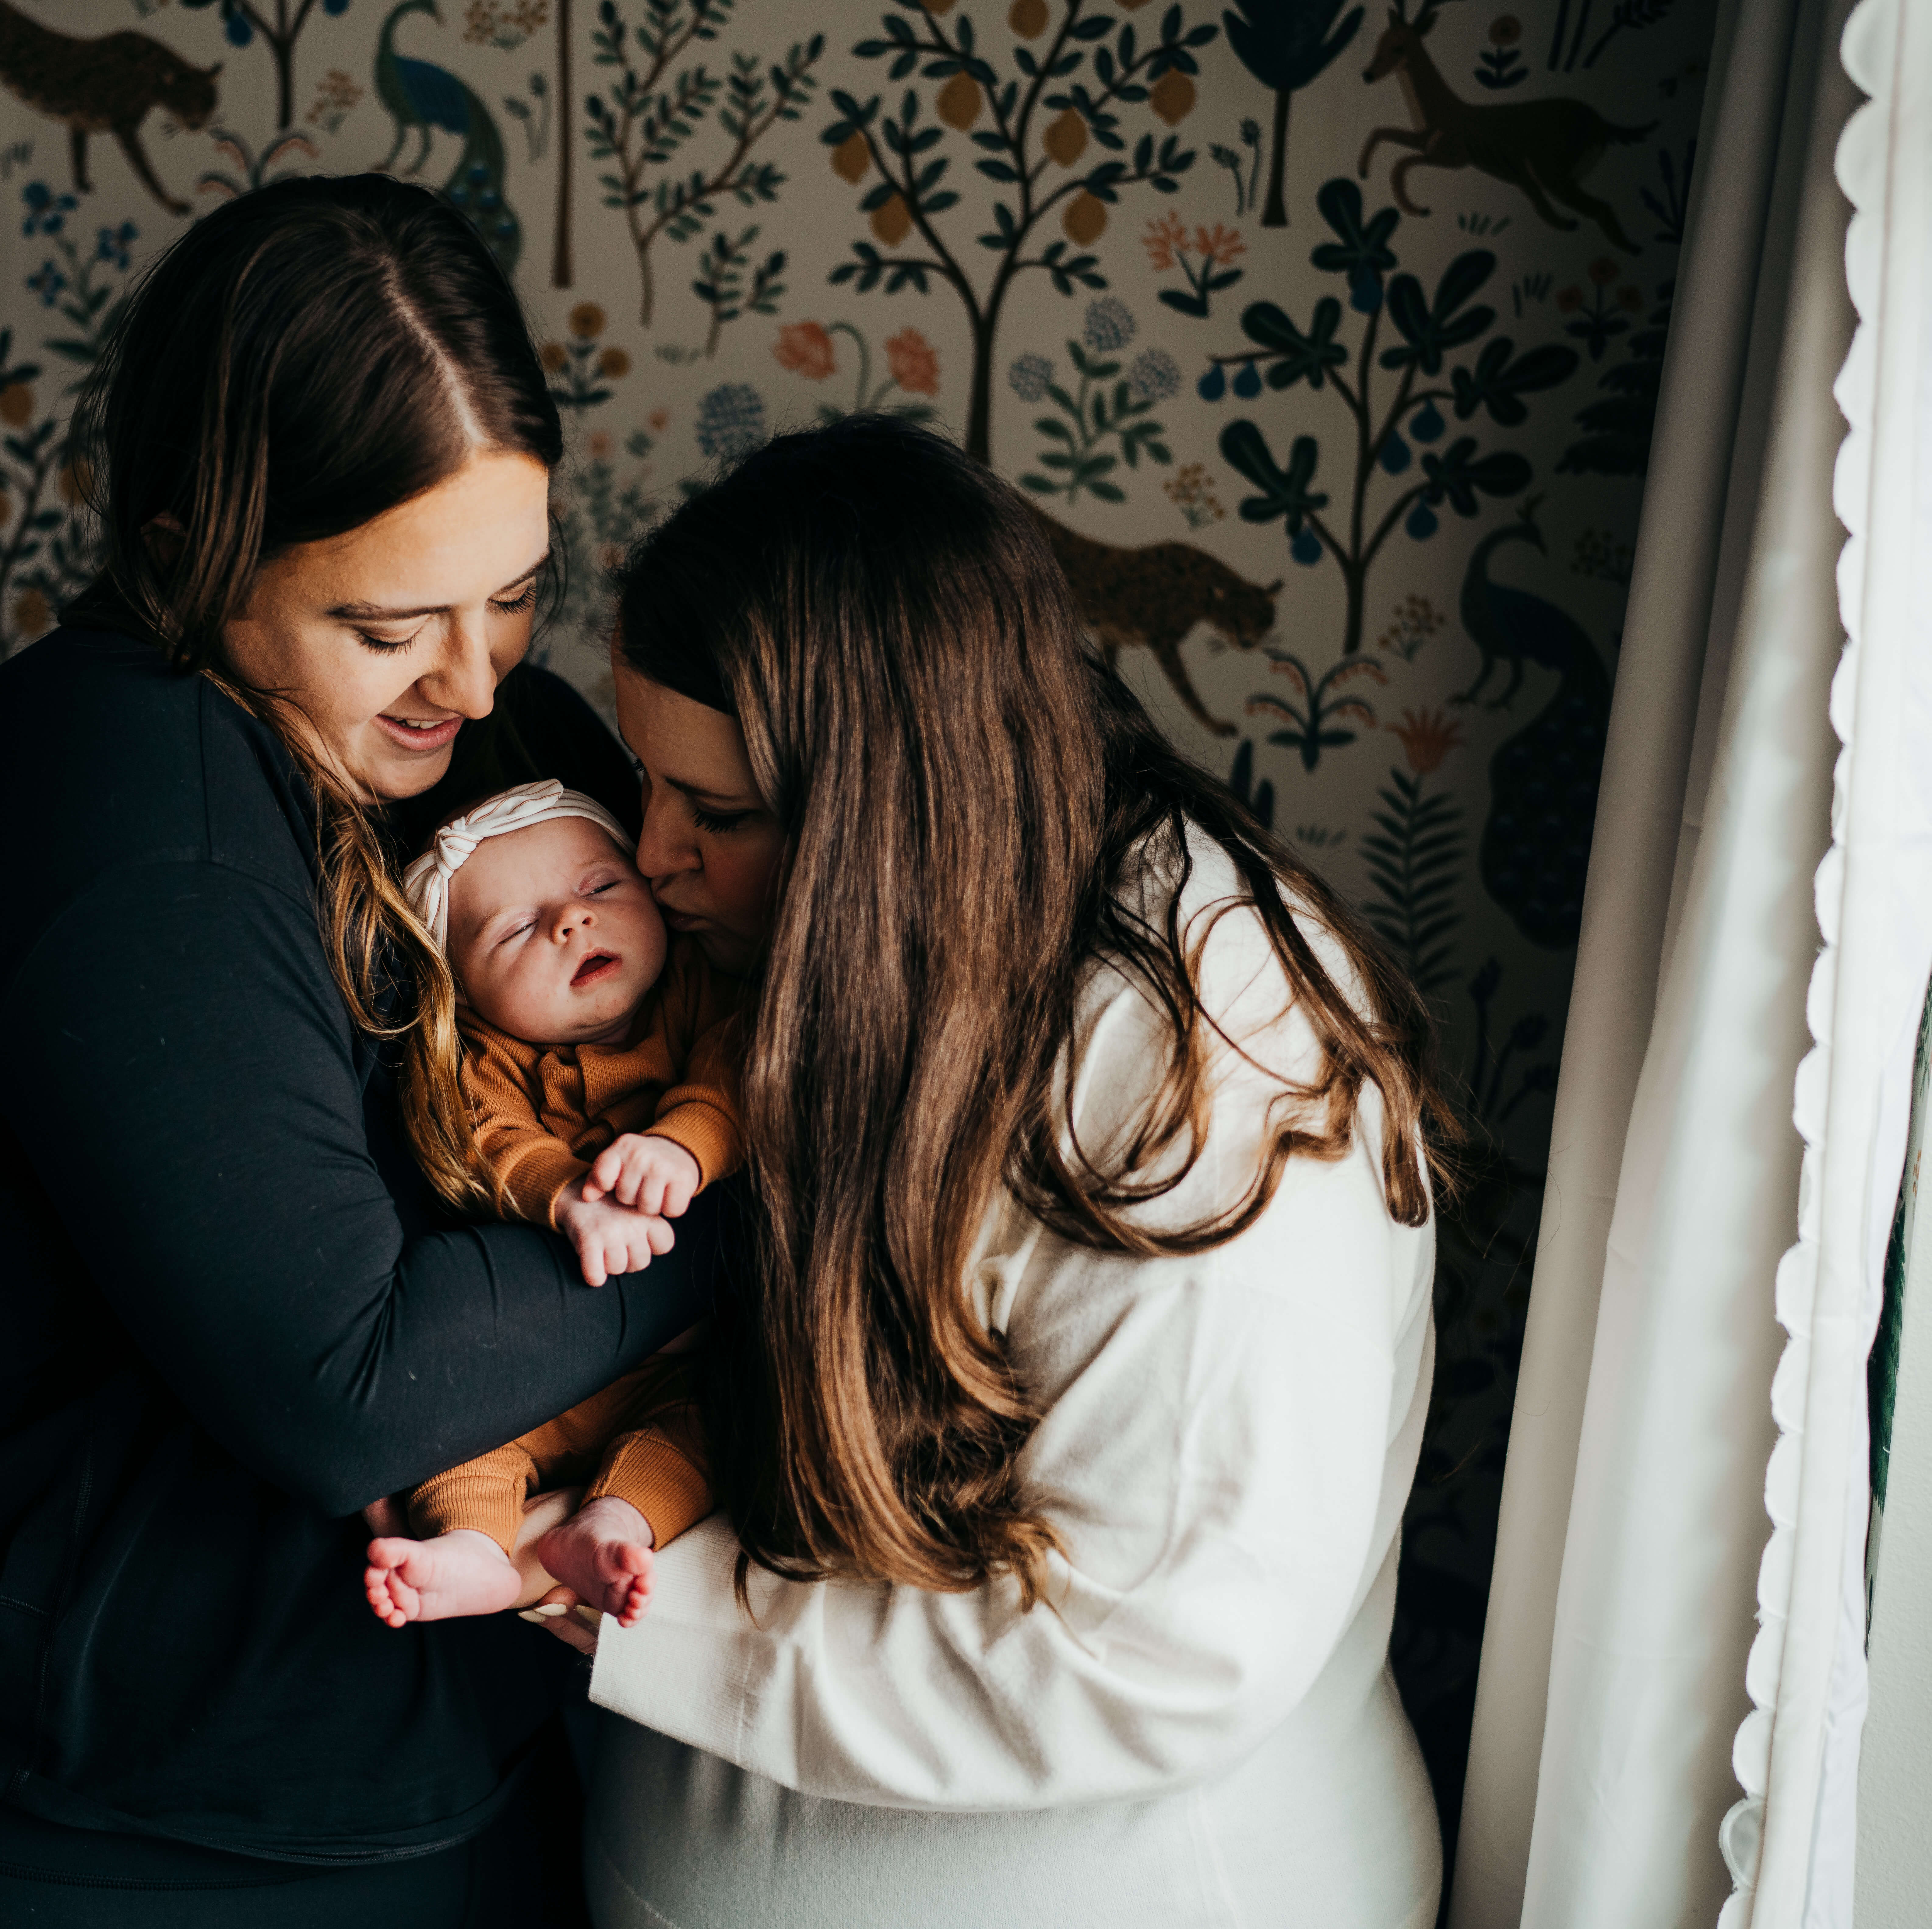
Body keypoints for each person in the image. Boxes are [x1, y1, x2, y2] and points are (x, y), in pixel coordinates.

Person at [0, 174, 711, 1926]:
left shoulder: (499, 751)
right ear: (193, 537)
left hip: (438, 1758)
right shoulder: (123, 801)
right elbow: (340, 1381)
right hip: (111, 1837)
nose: (468, 677)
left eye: (513, 593)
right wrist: (764, 1196)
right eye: (388, 624)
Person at [560, 416, 1453, 1928]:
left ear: (891, 809)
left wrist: (634, 1618)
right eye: (649, 780)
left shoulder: (1200, 1049)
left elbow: (1160, 1651)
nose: (652, 856)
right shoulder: (876, 943)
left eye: (719, 814)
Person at [363, 781, 739, 1632]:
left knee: (707, 1433)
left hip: (675, 1367)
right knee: (456, 1446)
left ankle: (611, 1527)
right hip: (532, 1376)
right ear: (464, 991)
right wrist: (569, 1195)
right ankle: (475, 1553)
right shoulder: (483, 1058)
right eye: (514, 929)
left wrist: (684, 1144)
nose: (571, 923)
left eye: (600, 888)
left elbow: (738, 1069)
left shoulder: (697, 991)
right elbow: (489, 1141)